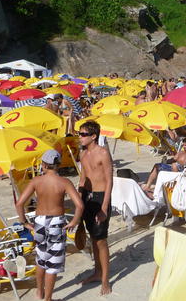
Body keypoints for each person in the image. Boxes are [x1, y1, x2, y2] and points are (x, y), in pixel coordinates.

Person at [15, 149, 83, 301]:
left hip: (39, 222)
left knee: (41, 258)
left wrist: (24, 222)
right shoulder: (64, 182)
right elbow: (79, 205)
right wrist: (74, 221)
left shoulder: (36, 181)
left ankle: (39, 293)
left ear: (44, 165)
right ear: (57, 165)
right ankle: (48, 299)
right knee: (52, 265)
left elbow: (19, 204)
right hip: (56, 223)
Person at [77, 121, 113, 294]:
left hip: (100, 198)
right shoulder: (83, 153)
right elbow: (83, 180)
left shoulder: (103, 153)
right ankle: (97, 273)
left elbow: (109, 181)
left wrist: (104, 208)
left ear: (93, 136)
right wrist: (79, 201)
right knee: (93, 238)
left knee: (101, 240)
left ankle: (105, 280)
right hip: (87, 198)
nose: (80, 137)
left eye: (83, 134)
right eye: (79, 133)